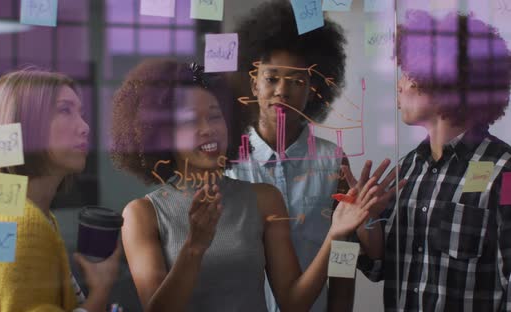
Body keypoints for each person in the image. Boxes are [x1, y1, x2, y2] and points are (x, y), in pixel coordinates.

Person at [111, 59, 378, 312]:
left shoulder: (265, 198)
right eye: (191, 120)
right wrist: (194, 247)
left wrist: (336, 234)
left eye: (215, 116)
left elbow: (295, 303)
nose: (208, 129)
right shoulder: (142, 214)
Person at [345, 10, 511, 311]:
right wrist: (366, 219)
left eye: (408, 73)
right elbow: (380, 269)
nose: (399, 85)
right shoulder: (406, 169)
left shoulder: (506, 172)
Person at [225, 1, 354, 310]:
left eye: (296, 81)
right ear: (254, 83)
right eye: (272, 78)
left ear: (313, 89)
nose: (282, 91)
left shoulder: (334, 162)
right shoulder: (228, 161)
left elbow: (344, 256)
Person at [0, 69, 120, 312]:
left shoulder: (6, 207)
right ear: (24, 126)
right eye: (64, 110)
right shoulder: (24, 222)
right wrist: (101, 288)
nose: (85, 127)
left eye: (81, 113)